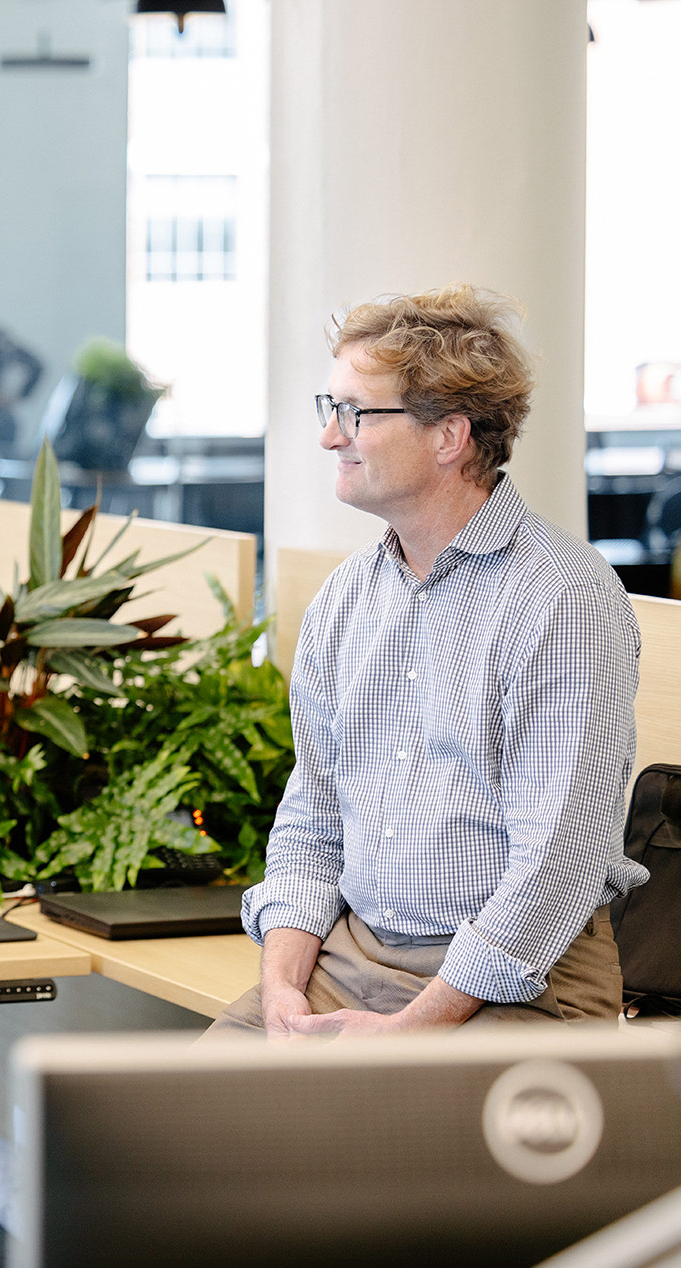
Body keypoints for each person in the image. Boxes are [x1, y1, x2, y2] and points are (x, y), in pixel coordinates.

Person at [211, 284, 646, 1039]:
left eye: (355, 413)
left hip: (525, 978)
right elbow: (313, 824)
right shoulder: (344, 599)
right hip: (356, 952)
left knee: (379, 1143)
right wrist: (282, 988)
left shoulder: (563, 598)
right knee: (180, 1131)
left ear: (450, 436)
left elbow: (556, 868)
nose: (329, 437)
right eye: (330, 408)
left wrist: (411, 1032)